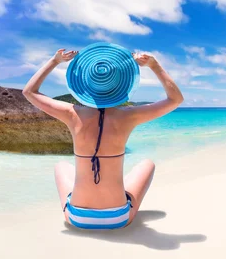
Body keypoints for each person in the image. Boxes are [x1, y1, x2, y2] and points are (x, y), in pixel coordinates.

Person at [22, 48, 184, 229]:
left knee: (61, 166)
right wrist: (154, 66)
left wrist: (55, 61)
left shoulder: (71, 113)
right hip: (118, 217)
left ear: (83, 86)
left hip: (77, 217)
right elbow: (175, 99)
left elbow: (29, 92)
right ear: (122, 86)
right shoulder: (129, 115)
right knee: (147, 164)